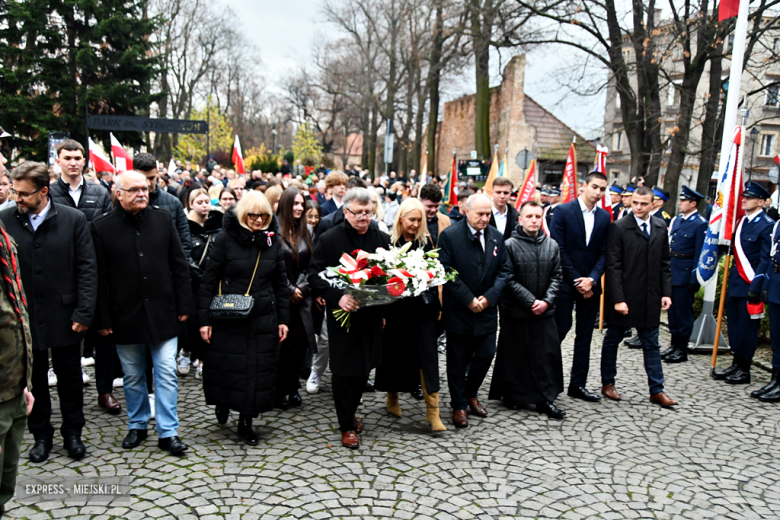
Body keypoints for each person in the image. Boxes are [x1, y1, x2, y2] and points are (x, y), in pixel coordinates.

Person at [0, 162, 96, 463]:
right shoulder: (5, 219)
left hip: (66, 314)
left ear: (43, 191)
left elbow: (87, 268)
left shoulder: (73, 219)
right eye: (14, 192)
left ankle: (73, 433)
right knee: (35, 378)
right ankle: (41, 434)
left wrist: (84, 312)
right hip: (24, 316)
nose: (18, 198)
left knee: (70, 376)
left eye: (24, 194)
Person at [92, 171, 193, 455]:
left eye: (145, 188)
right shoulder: (101, 227)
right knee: (133, 375)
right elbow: (98, 277)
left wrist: (185, 305)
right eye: (134, 189)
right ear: (118, 193)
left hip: (163, 312)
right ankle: (137, 425)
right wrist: (102, 318)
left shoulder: (162, 219)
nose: (142, 193)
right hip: (124, 316)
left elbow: (179, 265)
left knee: (166, 372)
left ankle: (168, 431)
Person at [198, 191, 290, 445]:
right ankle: (224, 403)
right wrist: (204, 319)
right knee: (228, 366)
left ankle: (246, 422)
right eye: (253, 215)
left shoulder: (272, 242)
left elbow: (281, 285)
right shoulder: (224, 240)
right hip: (229, 316)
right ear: (242, 214)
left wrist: (283, 319)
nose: (259, 220)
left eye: (264, 215)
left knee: (257, 370)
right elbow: (208, 281)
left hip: (262, 318)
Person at [308, 188, 390, 449]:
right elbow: (315, 275)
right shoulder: (330, 238)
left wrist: (385, 308)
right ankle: (346, 425)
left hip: (372, 314)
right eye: (358, 213)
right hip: (343, 314)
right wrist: (337, 297)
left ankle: (351, 411)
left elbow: (391, 276)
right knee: (344, 370)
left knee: (364, 366)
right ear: (346, 212)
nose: (364, 217)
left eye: (368, 212)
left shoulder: (382, 238)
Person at [48, 140, 118, 415]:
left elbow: (107, 228)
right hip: (63, 272)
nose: (73, 162)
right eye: (68, 157)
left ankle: (105, 390)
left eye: (78, 157)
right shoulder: (50, 192)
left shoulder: (99, 192)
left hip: (97, 271)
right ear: (59, 160)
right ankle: (70, 392)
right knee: (67, 335)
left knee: (104, 336)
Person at [600, 186, 677, 407]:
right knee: (613, 339)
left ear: (653, 204)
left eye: (644, 203)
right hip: (625, 296)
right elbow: (613, 266)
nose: (639, 207)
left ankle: (656, 390)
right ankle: (608, 383)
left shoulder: (661, 227)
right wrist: (617, 299)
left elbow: (665, 263)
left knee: (652, 343)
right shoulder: (619, 227)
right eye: (635, 203)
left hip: (650, 297)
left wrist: (666, 293)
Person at [438, 194, 511, 428]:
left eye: (488, 214)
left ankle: (471, 393)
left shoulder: (497, 237)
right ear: (465, 211)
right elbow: (445, 271)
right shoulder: (449, 236)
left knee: (487, 353)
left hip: (486, 309)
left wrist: (489, 298)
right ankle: (459, 405)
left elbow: (504, 271)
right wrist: (468, 299)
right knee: (457, 360)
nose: (484, 218)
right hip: (459, 309)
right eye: (480, 214)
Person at [375, 198, 446, 431]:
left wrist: (437, 307)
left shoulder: (425, 244)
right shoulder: (387, 244)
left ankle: (432, 411)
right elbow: (381, 281)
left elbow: (434, 277)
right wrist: (383, 311)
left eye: (419, 220)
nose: (415, 224)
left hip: (422, 310)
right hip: (396, 309)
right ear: (401, 219)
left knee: (428, 357)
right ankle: (392, 396)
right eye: (411, 219)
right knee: (395, 354)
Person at [489, 201, 564, 418]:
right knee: (516, 355)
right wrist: (531, 301)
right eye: (529, 216)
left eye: (538, 216)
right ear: (520, 220)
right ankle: (513, 394)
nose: (534, 220)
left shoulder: (552, 245)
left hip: (545, 311)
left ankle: (544, 398)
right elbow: (507, 278)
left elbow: (557, 276)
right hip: (518, 311)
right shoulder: (510, 245)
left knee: (546, 354)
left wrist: (546, 301)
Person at [549, 171, 611, 402]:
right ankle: (549, 383)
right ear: (583, 186)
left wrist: (592, 280)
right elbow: (559, 248)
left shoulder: (605, 217)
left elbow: (605, 252)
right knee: (558, 332)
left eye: (602, 189)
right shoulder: (563, 212)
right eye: (595, 187)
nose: (598, 193)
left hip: (591, 288)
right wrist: (578, 280)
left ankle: (578, 385)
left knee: (584, 337)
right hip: (566, 284)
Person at [714, 182, 774, 385]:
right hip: (736, 282)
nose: (744, 200)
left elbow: (765, 260)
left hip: (750, 284)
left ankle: (745, 368)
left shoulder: (766, 225)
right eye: (744, 197)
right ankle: (736, 362)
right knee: (734, 327)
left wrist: (757, 288)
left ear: (761, 201)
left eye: (749, 197)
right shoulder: (740, 222)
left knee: (747, 329)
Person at [0, 217, 34, 518]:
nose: (3, 185)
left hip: (12, 382)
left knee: (5, 480)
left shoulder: (5, 238)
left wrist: (25, 380)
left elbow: (17, 311)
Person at [276, 188, 316, 410]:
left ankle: (293, 387)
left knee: (298, 347)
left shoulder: (308, 230)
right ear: (285, 205)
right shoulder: (273, 229)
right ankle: (279, 389)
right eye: (295, 204)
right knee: (281, 345)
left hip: (302, 298)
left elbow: (314, 265)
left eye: (302, 204)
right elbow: (273, 266)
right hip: (280, 297)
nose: (300, 208)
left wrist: (300, 288)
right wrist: (289, 289)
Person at [179, 189, 223, 380]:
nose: (205, 205)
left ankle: (204, 361)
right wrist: (200, 275)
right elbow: (183, 255)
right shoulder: (185, 226)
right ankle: (187, 351)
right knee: (193, 322)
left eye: (207, 201)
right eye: (200, 202)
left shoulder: (218, 223)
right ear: (191, 204)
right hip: (193, 282)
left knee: (211, 319)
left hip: (214, 281)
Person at [662, 186, 707, 364]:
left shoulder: (700, 223)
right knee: (672, 312)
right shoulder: (677, 220)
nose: (679, 203)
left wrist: (694, 277)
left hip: (686, 273)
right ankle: (674, 344)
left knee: (683, 313)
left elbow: (699, 253)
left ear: (693, 203)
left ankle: (682, 348)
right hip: (673, 271)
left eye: (683, 200)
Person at [134, 153, 192, 259]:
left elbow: (184, 241)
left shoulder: (173, 203)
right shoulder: (125, 203)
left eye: (151, 178)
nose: (147, 183)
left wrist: (178, 269)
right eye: (143, 178)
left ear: (157, 173)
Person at [754, 217, 780, 401]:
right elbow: (772, 256)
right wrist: (766, 284)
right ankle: (775, 379)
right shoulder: (778, 224)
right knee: (777, 338)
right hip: (777, 284)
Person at [419, 183, 451, 247]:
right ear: (420, 201)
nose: (433, 210)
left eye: (437, 206)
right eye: (429, 206)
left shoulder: (446, 220)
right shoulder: (414, 222)